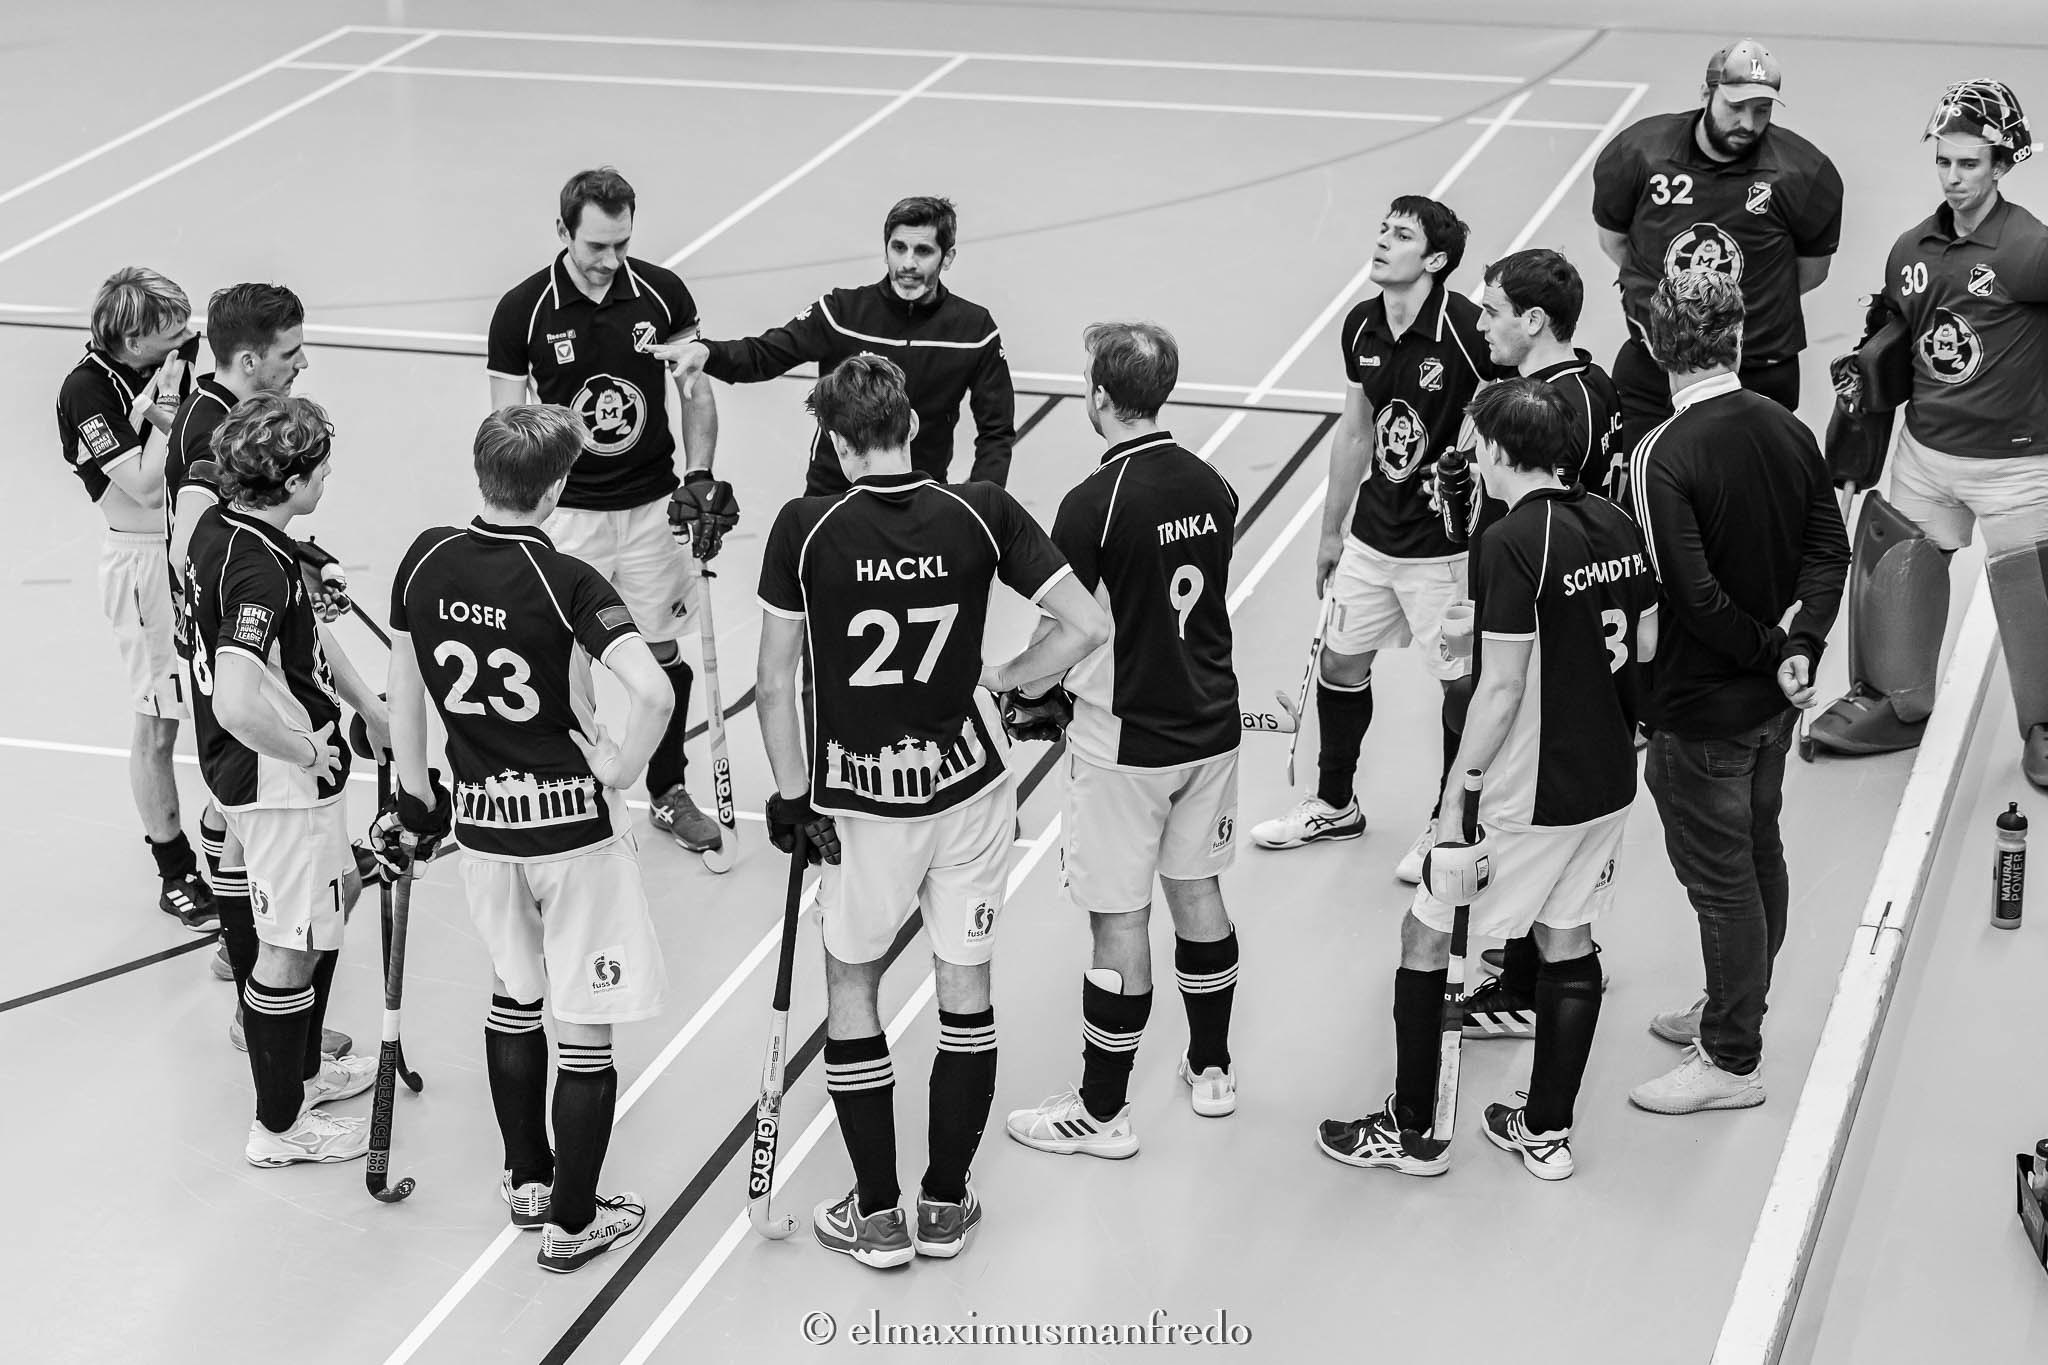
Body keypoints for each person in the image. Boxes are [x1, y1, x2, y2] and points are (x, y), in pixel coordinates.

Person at [754, 354, 1106, 1268]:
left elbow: (774, 683)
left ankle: (877, 1216)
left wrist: (790, 796)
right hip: (969, 789)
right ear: (911, 425)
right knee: (965, 990)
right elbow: (1086, 625)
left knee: (852, 984)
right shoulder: (981, 510)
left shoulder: (804, 527)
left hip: (861, 802)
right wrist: (1007, 678)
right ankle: (945, 1204)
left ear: (836, 443)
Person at [1316, 379, 1657, 1181]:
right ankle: (1545, 1131)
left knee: (1425, 934)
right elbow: (1644, 643)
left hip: (1525, 790)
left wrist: (1454, 796)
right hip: (1608, 777)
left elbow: (1499, 689)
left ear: (1501, 451)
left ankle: (1412, 1131)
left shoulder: (1511, 542)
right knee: (1568, 938)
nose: (1469, 455)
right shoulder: (1616, 522)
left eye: (1477, 443)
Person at [380, 404, 673, 1272]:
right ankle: (573, 1223)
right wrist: (623, 766)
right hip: (572, 835)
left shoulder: (424, 558)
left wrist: (415, 797)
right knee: (584, 1027)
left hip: (483, 828)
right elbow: (654, 692)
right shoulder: (570, 579)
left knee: (514, 994)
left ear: (482, 471)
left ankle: (529, 1181)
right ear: (557, 487)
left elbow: (405, 697)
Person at [1001, 321, 1243, 1159]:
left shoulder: (1091, 503)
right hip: (1211, 727)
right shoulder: (1214, 484)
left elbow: (1065, 629)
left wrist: (1015, 681)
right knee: (1199, 892)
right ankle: (1212, 1068)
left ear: (1099, 396)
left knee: (1119, 918)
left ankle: (1102, 1112)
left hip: (1124, 744)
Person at [1625, 271, 1848, 1115]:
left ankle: (1730, 1055)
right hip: (1770, 709)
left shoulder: (1660, 453)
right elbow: (1829, 550)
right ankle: (1733, 1004)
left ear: (1656, 347)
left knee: (1722, 882)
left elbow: (1692, 598)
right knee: (1759, 855)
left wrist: (1774, 651)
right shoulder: (1788, 426)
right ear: (1740, 336)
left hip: (1700, 710)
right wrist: (1801, 646)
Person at [1252, 195, 1506, 884]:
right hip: (1371, 536)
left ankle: (1450, 822)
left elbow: (1513, 416)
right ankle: (1335, 804)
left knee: (1460, 687)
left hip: (1445, 550)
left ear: (1436, 260)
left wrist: (1476, 478)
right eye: (1383, 230)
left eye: (1402, 235)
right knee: (1340, 665)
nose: (1383, 241)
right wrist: (1330, 531)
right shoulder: (1360, 324)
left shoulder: (1467, 330)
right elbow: (1356, 429)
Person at [486, 166, 735, 854]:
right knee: (558, 657)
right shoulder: (522, 311)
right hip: (568, 516)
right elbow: (506, 424)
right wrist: (521, 515)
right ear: (562, 231)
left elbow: (694, 392)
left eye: (622, 243)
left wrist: (701, 476)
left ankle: (668, 789)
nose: (610, 259)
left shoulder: (662, 293)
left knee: (661, 652)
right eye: (596, 245)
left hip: (653, 508)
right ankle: (567, 785)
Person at [1807, 80, 2048, 785]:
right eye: (1944, 161)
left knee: (2035, 590)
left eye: (1969, 164)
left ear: (2002, 165)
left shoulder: (2031, 249)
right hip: (1926, 455)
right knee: (1894, 565)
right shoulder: (1911, 249)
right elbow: (1886, 350)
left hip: (2017, 467)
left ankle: (2044, 724)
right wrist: (1855, 442)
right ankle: (1893, 701)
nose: (1953, 177)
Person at [180, 393, 389, 1165]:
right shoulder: (261, 571)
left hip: (247, 772)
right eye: (321, 468)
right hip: (278, 783)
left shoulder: (221, 527)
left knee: (333, 899)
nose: (328, 477)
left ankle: (303, 1073)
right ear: (293, 481)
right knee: (291, 943)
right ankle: (279, 1127)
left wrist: (368, 704)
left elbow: (292, 634)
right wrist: (307, 752)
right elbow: (238, 701)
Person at [165, 282, 348, 1058]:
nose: (302, 363)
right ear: (248, 359)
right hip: (231, 662)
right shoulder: (214, 429)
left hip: (228, 642)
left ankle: (243, 965)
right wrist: (268, 582)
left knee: (232, 820)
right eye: (289, 353)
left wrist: (294, 563)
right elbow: (194, 545)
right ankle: (259, 1001)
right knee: (243, 819)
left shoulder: (228, 414)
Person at [1460, 248, 1624, 1037]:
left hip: (1540, 631)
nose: (1481, 325)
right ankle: (1531, 971)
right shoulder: (1588, 384)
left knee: (1526, 810)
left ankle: (1524, 983)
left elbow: (1554, 522)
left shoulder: (1555, 406)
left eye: (1492, 311)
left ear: (1533, 320)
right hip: (1532, 611)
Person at [654, 195, 1017, 494]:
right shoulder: (841, 312)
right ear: (886, 250)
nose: (908, 263)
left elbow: (996, 431)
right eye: (899, 248)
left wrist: (983, 500)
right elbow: (764, 355)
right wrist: (708, 351)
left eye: (923, 251)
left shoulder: (974, 330)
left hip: (921, 497)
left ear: (947, 257)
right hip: (832, 494)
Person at [1591, 39, 1844, 454]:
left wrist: (1729, 312)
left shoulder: (1805, 174)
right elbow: (1616, 243)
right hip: (1655, 368)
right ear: (1706, 93)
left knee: (1748, 491)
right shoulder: (1638, 153)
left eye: (1762, 110)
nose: (1748, 122)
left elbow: (1811, 271)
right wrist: (1682, 314)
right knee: (1643, 483)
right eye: (1735, 106)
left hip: (1757, 370)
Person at [55, 267, 213, 929]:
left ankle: (234, 845)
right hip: (144, 564)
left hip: (196, 547)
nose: (187, 339)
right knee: (159, 722)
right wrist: (160, 404)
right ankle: (175, 871)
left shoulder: (169, 356)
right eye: (172, 331)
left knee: (228, 703)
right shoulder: (87, 391)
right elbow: (147, 487)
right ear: (131, 339)